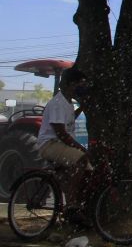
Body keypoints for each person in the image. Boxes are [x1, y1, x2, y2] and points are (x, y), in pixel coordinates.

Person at [36, 67, 92, 220]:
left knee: (88, 172)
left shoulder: (67, 103)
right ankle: (72, 204)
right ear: (70, 84)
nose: (82, 87)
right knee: (81, 159)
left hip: (59, 144)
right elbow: (61, 132)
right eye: (80, 84)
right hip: (50, 144)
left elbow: (68, 119)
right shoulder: (58, 103)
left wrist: (81, 108)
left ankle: (77, 206)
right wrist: (80, 148)